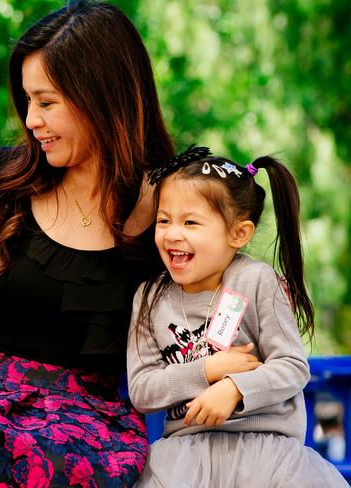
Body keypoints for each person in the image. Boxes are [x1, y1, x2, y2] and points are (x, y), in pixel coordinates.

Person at [0, 1, 174, 485]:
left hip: (86, 427)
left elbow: (190, 324)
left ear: (103, 97)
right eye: (26, 101)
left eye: (47, 102)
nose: (31, 119)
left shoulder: (166, 204)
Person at [126, 146, 347, 486]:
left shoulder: (255, 281)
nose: (172, 233)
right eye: (164, 220)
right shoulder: (150, 297)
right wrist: (206, 371)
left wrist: (235, 389)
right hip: (185, 459)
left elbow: (292, 365)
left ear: (238, 234)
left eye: (190, 222)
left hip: (265, 456)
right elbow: (142, 389)